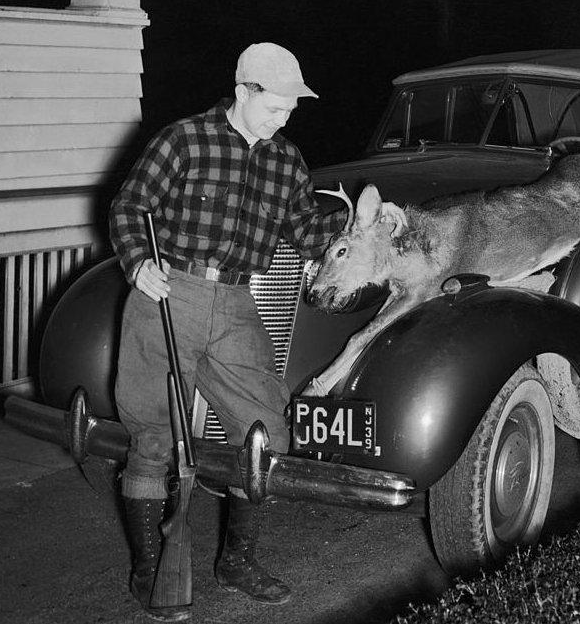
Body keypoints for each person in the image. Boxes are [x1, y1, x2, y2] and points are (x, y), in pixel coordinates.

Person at [108, 43, 403, 622]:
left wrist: (362, 230)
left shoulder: (286, 160)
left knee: (266, 432)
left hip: (237, 301)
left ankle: (235, 562)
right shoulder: (184, 141)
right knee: (152, 437)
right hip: (169, 291)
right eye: (277, 107)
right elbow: (128, 205)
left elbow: (304, 230)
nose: (284, 118)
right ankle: (148, 568)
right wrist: (139, 262)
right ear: (244, 91)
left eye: (292, 108)